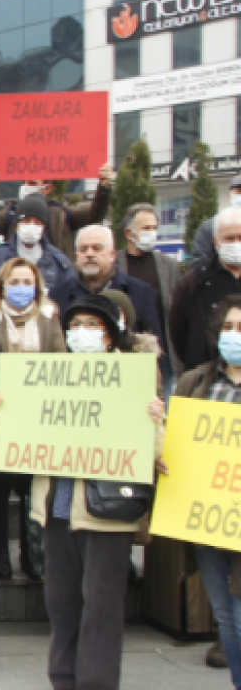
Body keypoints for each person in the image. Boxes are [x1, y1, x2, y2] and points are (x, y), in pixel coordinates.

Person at [0, 292, 165, 690]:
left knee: (101, 609)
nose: (81, 333)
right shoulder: (51, 377)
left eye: (92, 325)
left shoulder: (132, 379)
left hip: (107, 512)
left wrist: (155, 421)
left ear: (109, 334)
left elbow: (156, 453)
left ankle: (95, 683)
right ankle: (63, 680)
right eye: (75, 326)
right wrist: (8, 409)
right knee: (62, 605)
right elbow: (23, 439)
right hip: (58, 509)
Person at [0, 258, 65, 582]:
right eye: (14, 282)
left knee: (32, 489)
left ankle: (33, 556)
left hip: (39, 416)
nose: (21, 288)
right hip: (2, 415)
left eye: (27, 282)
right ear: (2, 287)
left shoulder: (49, 318)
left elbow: (61, 360)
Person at [172, 295, 241, 689]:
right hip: (208, 520)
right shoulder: (195, 382)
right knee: (225, 617)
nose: (234, 335)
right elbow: (177, 443)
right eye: (228, 327)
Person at [50, 225, 166, 375]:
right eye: (84, 249)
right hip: (72, 378)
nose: (89, 254)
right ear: (76, 256)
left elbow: (153, 345)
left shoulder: (140, 291)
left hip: (125, 377)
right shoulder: (57, 294)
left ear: (112, 255)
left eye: (97, 248)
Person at [0, 194, 75, 322]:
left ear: (44, 227)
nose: (31, 225)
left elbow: (69, 304)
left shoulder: (59, 263)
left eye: (37, 222)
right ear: (17, 223)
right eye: (26, 220)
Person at [0, 162, 114, 262]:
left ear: (47, 188)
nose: (26, 186)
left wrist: (104, 187)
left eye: (32, 183)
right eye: (24, 182)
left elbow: (94, 215)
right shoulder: (12, 212)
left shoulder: (62, 214)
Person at [116, 204, 182, 377]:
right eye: (146, 228)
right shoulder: (114, 264)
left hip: (162, 358)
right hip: (124, 355)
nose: (152, 233)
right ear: (129, 233)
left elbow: (177, 311)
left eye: (154, 228)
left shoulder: (169, 266)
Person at [173, 208, 241, 373]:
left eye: (240, 237)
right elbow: (178, 334)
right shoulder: (193, 283)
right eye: (229, 238)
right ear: (215, 241)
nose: (236, 244)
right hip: (206, 378)